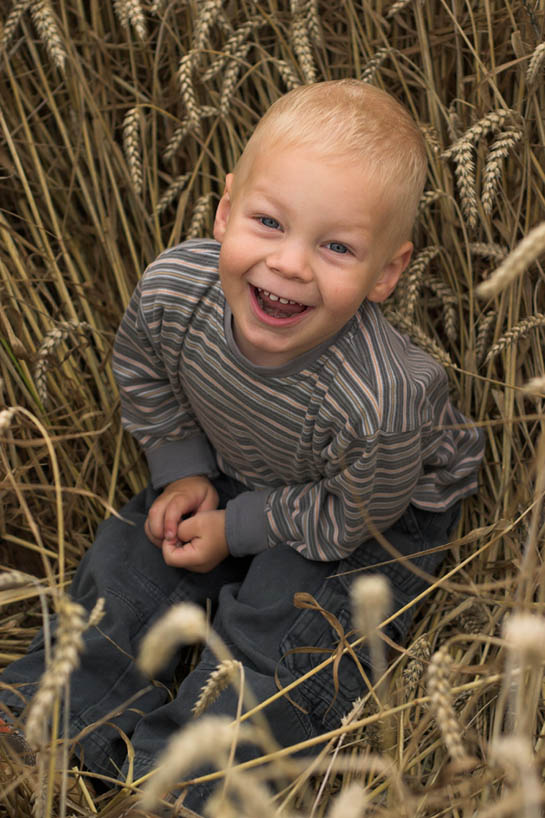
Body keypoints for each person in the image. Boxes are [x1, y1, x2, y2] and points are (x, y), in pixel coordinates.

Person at [0, 79, 484, 815]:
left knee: (279, 632)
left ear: (386, 272)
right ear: (225, 211)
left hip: (369, 506)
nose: (289, 264)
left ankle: (183, 787)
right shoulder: (175, 291)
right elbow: (145, 372)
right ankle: (46, 724)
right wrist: (182, 472)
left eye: (336, 246)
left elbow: (348, 517)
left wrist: (237, 528)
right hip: (242, 457)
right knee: (129, 564)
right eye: (267, 221)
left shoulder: (382, 401)